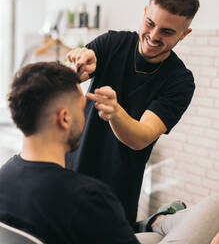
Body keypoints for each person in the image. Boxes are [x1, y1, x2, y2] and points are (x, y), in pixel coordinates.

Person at [0, 61, 218, 244]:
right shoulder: (87, 197)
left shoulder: (4, 175)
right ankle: (157, 222)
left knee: (152, 237)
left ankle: (156, 223)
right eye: (81, 107)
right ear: (64, 118)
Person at [65, 0, 200, 227]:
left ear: (185, 33)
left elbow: (141, 138)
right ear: (145, 10)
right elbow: (74, 74)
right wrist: (77, 63)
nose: (153, 36)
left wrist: (116, 112)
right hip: (71, 174)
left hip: (115, 194)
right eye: (150, 23)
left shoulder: (179, 80)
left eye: (167, 32)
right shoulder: (112, 43)